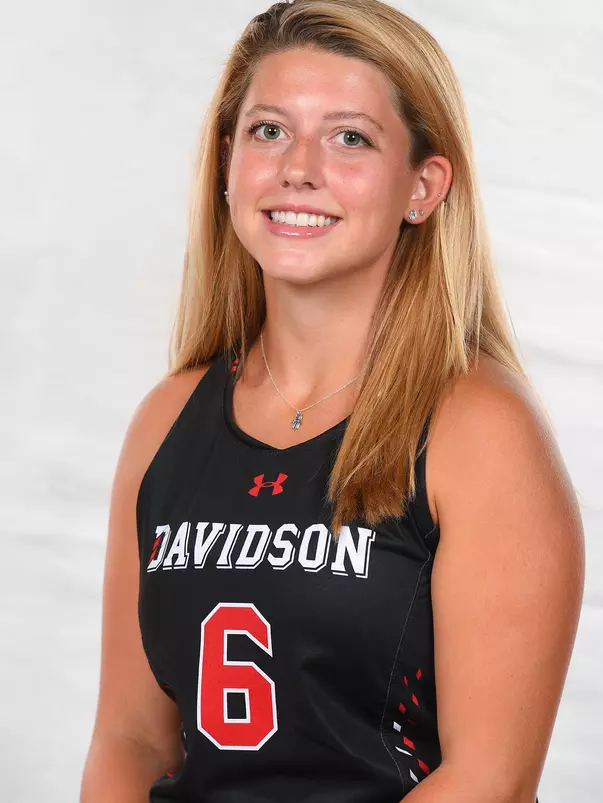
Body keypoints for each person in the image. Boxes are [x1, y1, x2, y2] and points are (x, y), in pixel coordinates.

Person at [79, 1, 585, 801]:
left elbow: (490, 777)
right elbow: (129, 736)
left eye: (349, 137)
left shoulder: (478, 429)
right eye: (269, 130)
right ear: (226, 164)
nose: (297, 168)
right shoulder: (165, 418)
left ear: (423, 185)